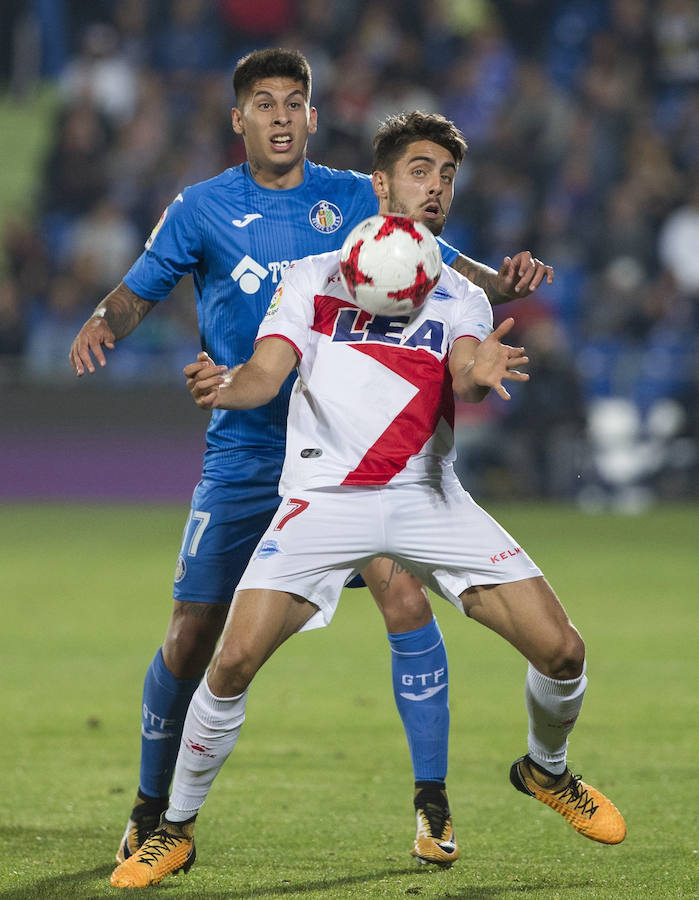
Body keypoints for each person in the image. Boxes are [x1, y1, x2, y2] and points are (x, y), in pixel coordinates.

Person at [110, 110, 625, 889]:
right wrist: (224, 387)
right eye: (420, 171)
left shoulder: (459, 295)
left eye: (447, 176)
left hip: (426, 498)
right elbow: (264, 374)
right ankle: (173, 829)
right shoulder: (313, 278)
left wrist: (478, 371)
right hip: (323, 500)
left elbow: (458, 367)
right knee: (233, 660)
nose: (436, 188)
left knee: (564, 653)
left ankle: (545, 770)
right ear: (378, 184)